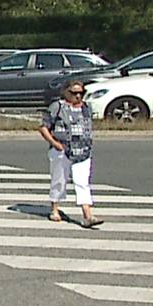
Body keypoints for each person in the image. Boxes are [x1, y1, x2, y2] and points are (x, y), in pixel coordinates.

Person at [39, 82, 102, 228]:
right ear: (66, 92)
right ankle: (55, 208)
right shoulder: (58, 107)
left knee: (82, 182)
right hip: (62, 150)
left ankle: (87, 215)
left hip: (83, 151)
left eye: (81, 93)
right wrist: (55, 143)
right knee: (59, 180)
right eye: (74, 93)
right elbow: (43, 127)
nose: (78, 96)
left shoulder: (86, 107)